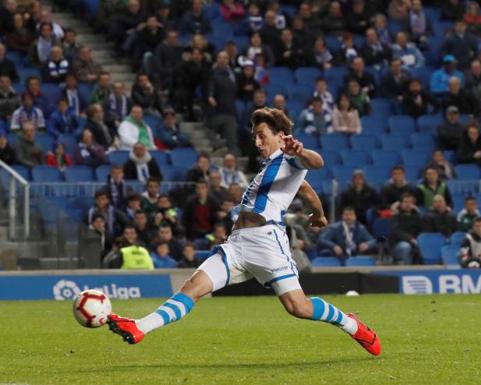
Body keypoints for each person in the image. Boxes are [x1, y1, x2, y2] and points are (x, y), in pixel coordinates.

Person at [107, 108, 381, 356]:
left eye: (262, 136)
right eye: (255, 136)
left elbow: (317, 162)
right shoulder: (269, 168)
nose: (257, 142)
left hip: (266, 243)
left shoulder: (290, 158)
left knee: (298, 307)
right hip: (237, 244)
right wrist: (319, 214)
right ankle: (139, 326)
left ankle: (349, 323)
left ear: (280, 136)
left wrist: (300, 151)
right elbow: (306, 190)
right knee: (193, 287)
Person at [389, 193, 422, 265]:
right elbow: (396, 231)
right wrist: (410, 238)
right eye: (406, 202)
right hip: (397, 245)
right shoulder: (396, 217)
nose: (408, 204)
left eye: (410, 202)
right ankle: (407, 268)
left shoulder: (417, 217)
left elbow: (422, 230)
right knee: (405, 246)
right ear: (401, 204)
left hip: (414, 242)